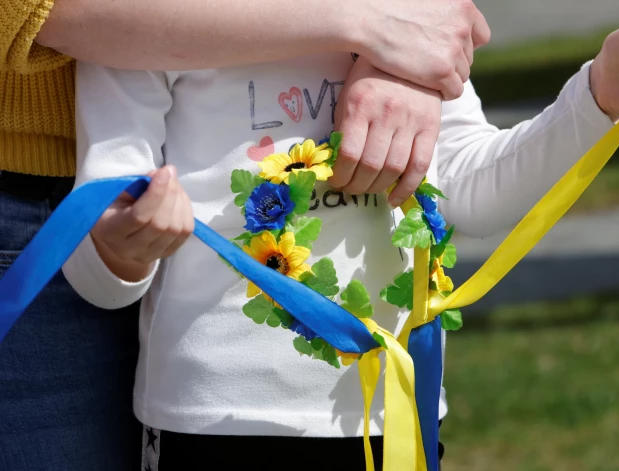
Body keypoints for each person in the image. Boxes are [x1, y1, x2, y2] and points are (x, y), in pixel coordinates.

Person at [62, 16, 619, 471]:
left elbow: (474, 192)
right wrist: (127, 246)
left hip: (394, 413)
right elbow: (97, 250)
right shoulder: (141, 24)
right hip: (215, 421)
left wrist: (599, 92)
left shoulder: (414, 20)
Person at [0, 1, 489, 470]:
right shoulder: (132, 67)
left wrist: (402, 47)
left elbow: (472, 177)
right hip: (197, 401)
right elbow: (40, 13)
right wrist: (375, 23)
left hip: (385, 410)